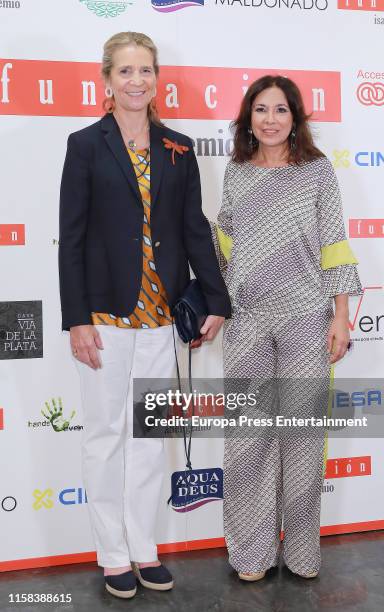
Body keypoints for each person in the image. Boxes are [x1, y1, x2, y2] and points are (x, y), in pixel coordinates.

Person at [59, 31, 231, 599]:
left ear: (158, 80)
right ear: (107, 79)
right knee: (106, 436)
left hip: (161, 318)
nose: (137, 81)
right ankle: (113, 555)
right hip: (105, 315)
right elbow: (73, 239)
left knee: (148, 438)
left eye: (146, 71)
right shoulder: (85, 145)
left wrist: (215, 299)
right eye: (126, 71)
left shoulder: (177, 147)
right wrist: (76, 318)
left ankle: (144, 549)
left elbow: (193, 230)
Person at [213, 75, 362, 581]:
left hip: (306, 318)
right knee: (248, 437)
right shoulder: (235, 172)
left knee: (300, 437)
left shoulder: (318, 172)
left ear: (295, 118)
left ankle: (301, 553)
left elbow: (334, 243)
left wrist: (341, 315)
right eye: (261, 109)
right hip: (248, 321)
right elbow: (225, 242)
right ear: (248, 117)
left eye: (280, 110)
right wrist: (213, 303)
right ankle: (251, 554)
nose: (271, 119)